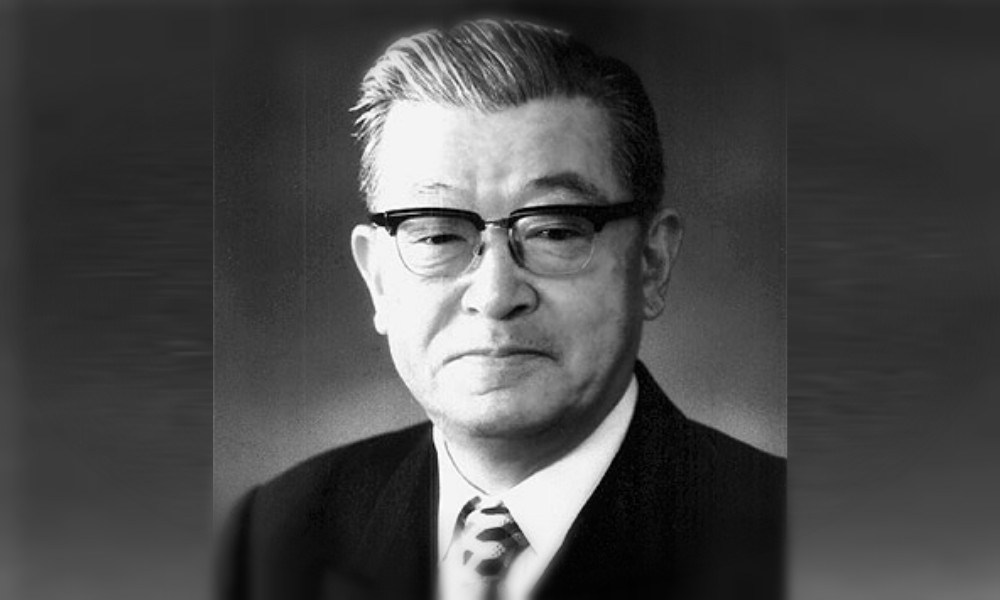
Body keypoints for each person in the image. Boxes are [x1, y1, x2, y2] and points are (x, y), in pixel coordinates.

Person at [219, 18, 784, 600]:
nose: (494, 295)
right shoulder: (276, 536)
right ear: (377, 278)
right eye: (437, 235)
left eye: (555, 232)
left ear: (651, 263)